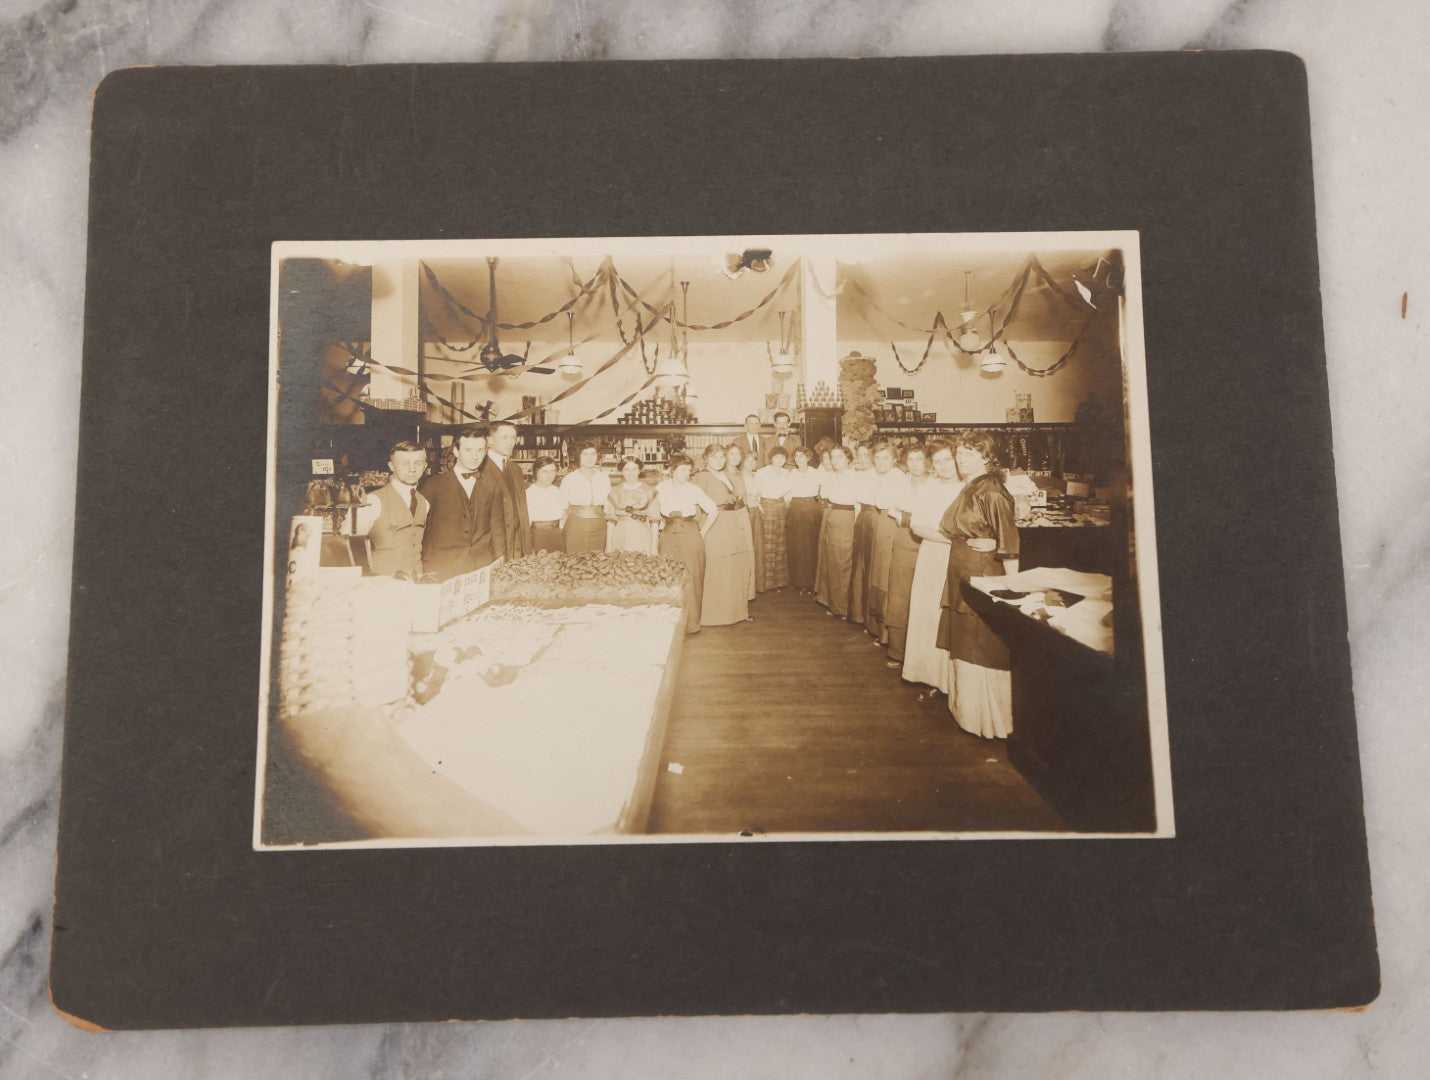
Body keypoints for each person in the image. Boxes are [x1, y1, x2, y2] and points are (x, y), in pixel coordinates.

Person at [939, 433, 1021, 738]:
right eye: (959, 451)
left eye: (970, 453)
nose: (961, 457)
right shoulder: (971, 486)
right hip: (962, 567)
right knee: (965, 638)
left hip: (981, 572)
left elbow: (1009, 541)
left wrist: (1011, 589)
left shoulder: (991, 489)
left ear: (986, 457)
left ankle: (988, 720)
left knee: (981, 641)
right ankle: (967, 714)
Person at [901, 441, 963, 699]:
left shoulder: (967, 487)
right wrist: (951, 541)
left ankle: (955, 680)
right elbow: (917, 525)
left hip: (962, 559)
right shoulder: (930, 488)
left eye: (947, 460)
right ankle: (930, 676)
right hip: (934, 556)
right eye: (937, 462)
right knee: (929, 615)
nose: (943, 466)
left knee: (954, 615)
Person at [419, 426, 506, 581]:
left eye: (480, 450)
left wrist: (500, 565)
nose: (475, 456)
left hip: (481, 565)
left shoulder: (492, 486)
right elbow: (420, 528)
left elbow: (498, 529)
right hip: (443, 566)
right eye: (468, 450)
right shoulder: (433, 485)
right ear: (456, 451)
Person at [656, 454, 718, 633]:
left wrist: (702, 532)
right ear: (672, 469)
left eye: (688, 470)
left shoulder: (693, 489)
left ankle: (691, 624)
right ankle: (670, 624)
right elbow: (655, 511)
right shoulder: (661, 487)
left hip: (690, 535)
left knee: (692, 578)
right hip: (668, 534)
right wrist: (661, 526)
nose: (686, 473)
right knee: (667, 576)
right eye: (682, 469)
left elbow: (713, 511)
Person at [693, 444, 753, 625]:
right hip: (715, 525)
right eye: (714, 457)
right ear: (705, 458)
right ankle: (715, 616)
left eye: (721, 457)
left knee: (734, 567)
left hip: (732, 522)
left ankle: (735, 612)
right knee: (717, 568)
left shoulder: (726, 475)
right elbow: (696, 505)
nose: (718, 461)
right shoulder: (701, 477)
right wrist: (699, 528)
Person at [883, 443, 931, 666]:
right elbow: (893, 509)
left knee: (925, 595)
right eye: (910, 459)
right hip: (905, 537)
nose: (914, 464)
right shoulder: (900, 483)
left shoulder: (935, 484)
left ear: (927, 461)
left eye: (919, 459)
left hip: (930, 541)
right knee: (899, 592)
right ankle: (897, 651)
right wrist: (907, 518)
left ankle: (922, 657)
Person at [354, 440, 430, 579]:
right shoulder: (373, 501)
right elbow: (349, 546)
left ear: (424, 467)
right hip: (382, 585)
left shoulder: (424, 503)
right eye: (404, 463)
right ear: (391, 466)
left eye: (417, 463)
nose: (412, 469)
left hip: (415, 583)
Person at [863, 441, 908, 642]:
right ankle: (876, 626)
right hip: (881, 521)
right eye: (878, 458)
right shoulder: (878, 476)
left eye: (886, 458)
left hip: (892, 524)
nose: (881, 461)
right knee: (878, 573)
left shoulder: (899, 478)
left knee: (886, 574)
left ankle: (887, 634)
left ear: (895, 460)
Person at [814, 444, 859, 618]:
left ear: (848, 458)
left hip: (846, 518)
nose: (836, 460)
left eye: (840, 456)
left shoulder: (855, 476)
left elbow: (858, 504)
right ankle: (829, 600)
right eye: (833, 457)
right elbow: (825, 495)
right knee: (830, 559)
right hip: (832, 516)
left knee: (842, 561)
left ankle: (842, 606)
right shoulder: (831, 476)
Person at [484, 420, 531, 562]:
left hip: (517, 543)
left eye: (513, 438)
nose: (510, 442)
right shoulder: (480, 468)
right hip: (492, 545)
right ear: (490, 440)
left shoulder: (515, 469)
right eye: (504, 437)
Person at [847, 441, 882, 626]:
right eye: (859, 455)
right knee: (859, 562)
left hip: (874, 517)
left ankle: (871, 616)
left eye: (866, 455)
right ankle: (858, 612)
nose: (862, 458)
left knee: (871, 563)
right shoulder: (857, 474)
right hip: (861, 516)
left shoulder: (879, 475)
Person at [559, 442, 612, 553]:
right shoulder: (569, 479)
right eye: (585, 454)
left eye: (593, 454)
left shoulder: (603, 478)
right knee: (574, 561)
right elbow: (562, 507)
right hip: (576, 525)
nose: (589, 458)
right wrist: (561, 528)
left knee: (599, 562)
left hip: (599, 525)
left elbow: (608, 505)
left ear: (597, 456)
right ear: (578, 456)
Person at [753, 444, 792, 590]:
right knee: (768, 544)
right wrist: (761, 508)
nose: (779, 460)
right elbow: (756, 494)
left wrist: (785, 504)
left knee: (780, 544)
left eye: (782, 457)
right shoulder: (761, 472)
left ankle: (779, 581)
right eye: (776, 457)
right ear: (771, 459)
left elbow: (789, 492)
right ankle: (766, 582)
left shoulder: (786, 473)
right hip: (767, 508)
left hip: (781, 507)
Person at [784, 444, 821, 592]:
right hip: (796, 508)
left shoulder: (816, 473)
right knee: (797, 545)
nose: (799, 459)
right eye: (797, 456)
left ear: (808, 457)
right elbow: (787, 492)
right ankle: (798, 581)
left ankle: (811, 581)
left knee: (811, 544)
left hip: (811, 508)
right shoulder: (791, 474)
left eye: (802, 456)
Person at [724, 442, 759, 598]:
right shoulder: (722, 474)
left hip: (742, 514)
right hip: (729, 516)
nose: (735, 457)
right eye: (731, 453)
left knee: (747, 552)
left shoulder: (739, 474)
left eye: (738, 454)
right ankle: (731, 593)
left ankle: (746, 592)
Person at [607, 456, 660, 554]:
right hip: (620, 535)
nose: (631, 473)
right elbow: (611, 522)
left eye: (634, 469)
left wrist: (654, 548)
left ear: (639, 470)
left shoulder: (649, 491)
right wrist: (608, 546)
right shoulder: (614, 492)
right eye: (627, 469)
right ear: (621, 471)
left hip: (642, 536)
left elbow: (655, 523)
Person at [739, 448, 767, 593]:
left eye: (753, 460)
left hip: (756, 511)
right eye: (747, 460)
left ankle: (757, 584)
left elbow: (758, 495)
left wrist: (759, 505)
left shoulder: (757, 475)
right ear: (742, 461)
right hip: (746, 512)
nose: (750, 463)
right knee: (747, 547)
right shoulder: (739, 476)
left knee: (758, 546)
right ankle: (746, 586)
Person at [524, 457, 567, 552]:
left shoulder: (557, 491)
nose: (549, 475)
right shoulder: (529, 493)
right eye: (545, 472)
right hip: (537, 536)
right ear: (536, 472)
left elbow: (564, 513)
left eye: (552, 471)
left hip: (556, 535)